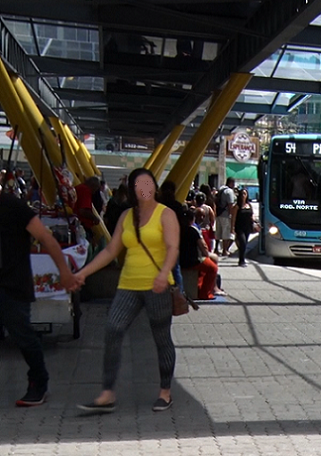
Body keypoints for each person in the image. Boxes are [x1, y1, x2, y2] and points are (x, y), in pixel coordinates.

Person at [75, 168, 180, 413]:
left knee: (161, 337)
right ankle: (107, 393)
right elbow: (111, 250)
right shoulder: (126, 216)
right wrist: (84, 272)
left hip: (158, 285)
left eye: (148, 183)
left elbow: (173, 248)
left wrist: (164, 274)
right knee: (113, 329)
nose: (145, 188)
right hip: (129, 285)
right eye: (139, 185)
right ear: (132, 190)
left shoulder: (166, 215)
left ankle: (165, 391)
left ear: (154, 186)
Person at [1, 189, 80, 406]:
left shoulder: (13, 206)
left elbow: (46, 237)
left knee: (22, 334)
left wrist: (64, 271)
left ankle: (39, 380)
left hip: (12, 284)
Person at [180, 209, 221, 299]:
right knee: (213, 268)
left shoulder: (176, 229)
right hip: (193, 261)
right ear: (192, 219)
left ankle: (199, 287)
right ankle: (206, 293)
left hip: (179, 260)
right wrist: (207, 254)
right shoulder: (193, 231)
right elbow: (204, 247)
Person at [232, 187, 257, 267]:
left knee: (245, 243)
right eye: (242, 194)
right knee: (242, 242)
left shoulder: (249, 205)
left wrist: (254, 220)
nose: (243, 195)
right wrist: (232, 228)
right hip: (239, 227)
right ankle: (241, 260)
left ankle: (242, 257)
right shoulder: (237, 206)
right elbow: (234, 217)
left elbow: (252, 215)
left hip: (248, 227)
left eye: (245, 194)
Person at [215, 178, 237, 257]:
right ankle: (224, 250)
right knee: (226, 234)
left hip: (218, 214)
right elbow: (230, 205)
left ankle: (216, 249)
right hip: (226, 215)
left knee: (218, 233)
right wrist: (232, 215)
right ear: (231, 183)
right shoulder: (229, 192)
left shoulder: (221, 189)